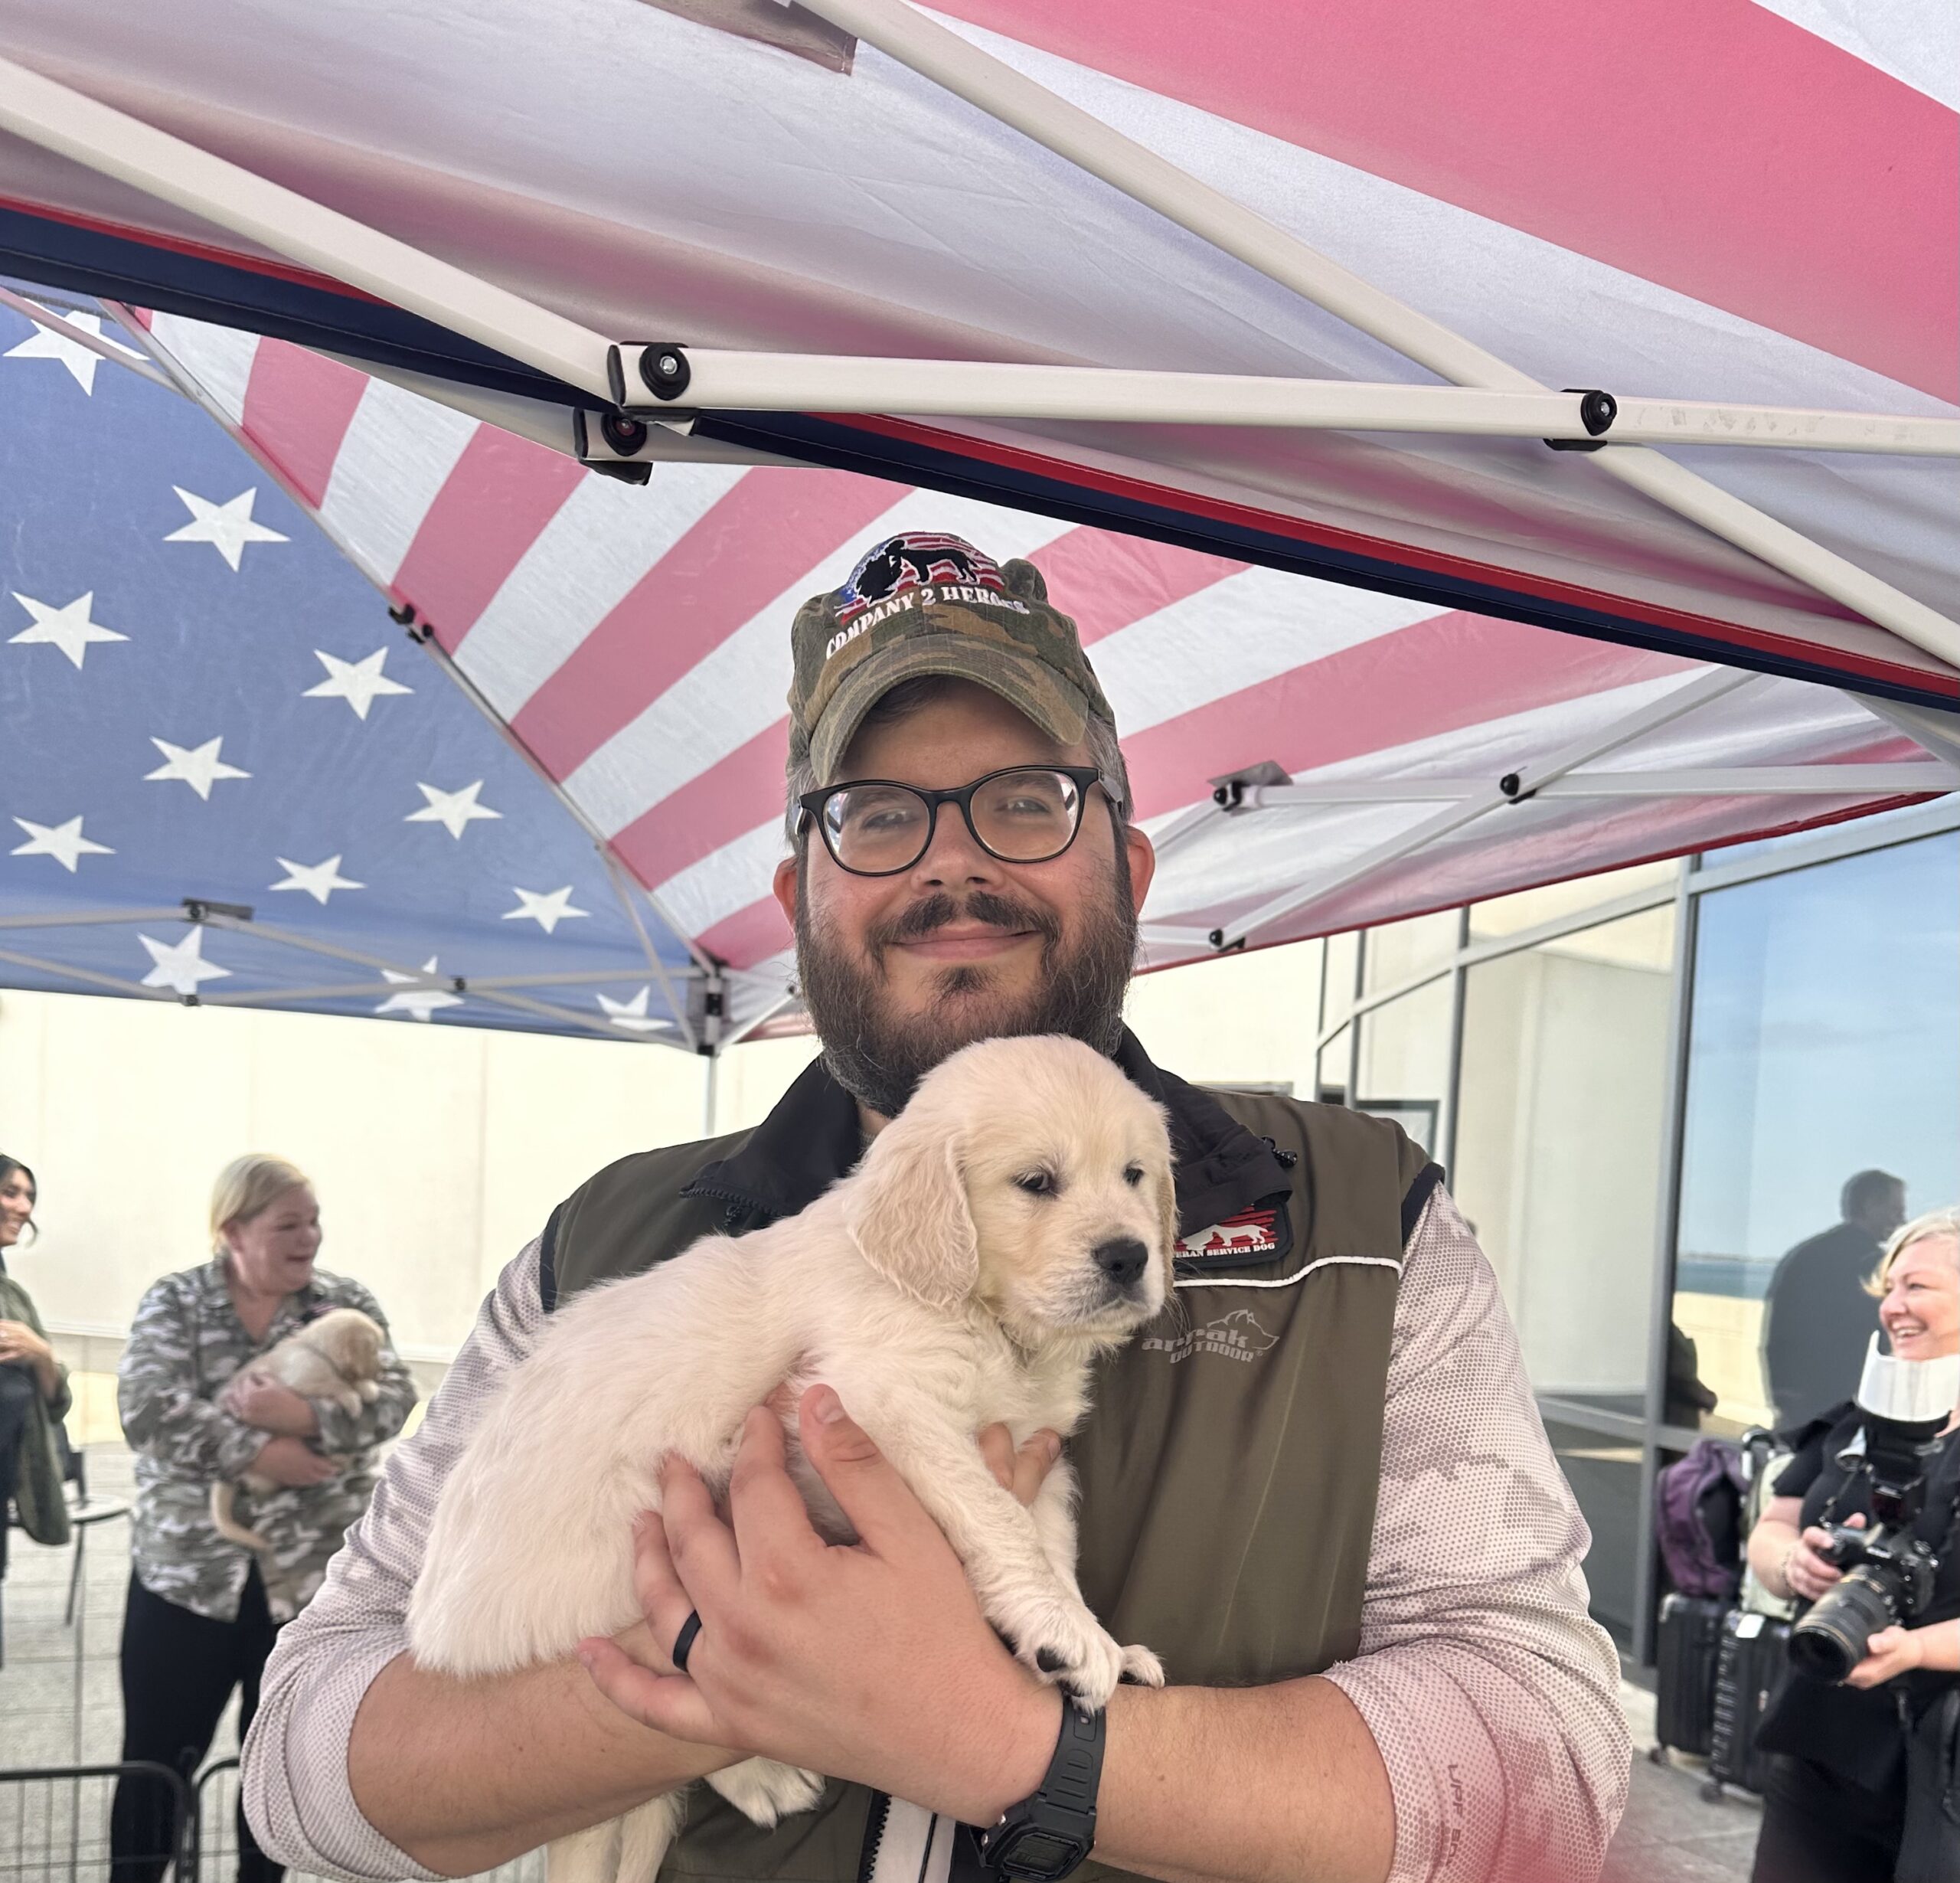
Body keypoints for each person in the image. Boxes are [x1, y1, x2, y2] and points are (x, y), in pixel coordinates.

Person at [243, 534, 1629, 1883]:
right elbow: (305, 1760)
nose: (948, 866)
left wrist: (1010, 1741)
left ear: (1130, 870)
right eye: (877, 813)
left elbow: (1555, 1761)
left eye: (1028, 797)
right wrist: (723, 1679)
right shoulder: (604, 1240)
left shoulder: (1362, 1221)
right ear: (800, 898)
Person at [111, 1154, 416, 1883]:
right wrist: (264, 1449)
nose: (309, 1236)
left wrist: (306, 1414)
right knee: (157, 1760)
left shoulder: (342, 1303)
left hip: (310, 1585)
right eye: (288, 1224)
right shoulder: (177, 1302)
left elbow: (396, 1397)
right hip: (186, 1580)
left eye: (313, 1220)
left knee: (278, 1759)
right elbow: (148, 1410)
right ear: (232, 1231)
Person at [1743, 1208, 1960, 1882]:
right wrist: (1791, 1562)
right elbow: (1771, 1527)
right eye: (1888, 1288)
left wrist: (1918, 1649)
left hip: (1944, 1766)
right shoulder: (1853, 1424)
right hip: (1822, 1746)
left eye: (1917, 1287)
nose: (1892, 1305)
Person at [1762, 1170, 1908, 1430]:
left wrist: (1784, 1392)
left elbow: (1780, 1330)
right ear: (1871, 1206)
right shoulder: (1871, 1264)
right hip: (1843, 1405)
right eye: (1895, 1210)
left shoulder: (1804, 1255)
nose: (1902, 1220)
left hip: (1798, 1400)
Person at [0, 1152, 72, 1580]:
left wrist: (41, 1354)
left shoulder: (14, 1295)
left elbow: (55, 1400)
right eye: (10, 1193)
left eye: (29, 1196)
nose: (25, 1208)